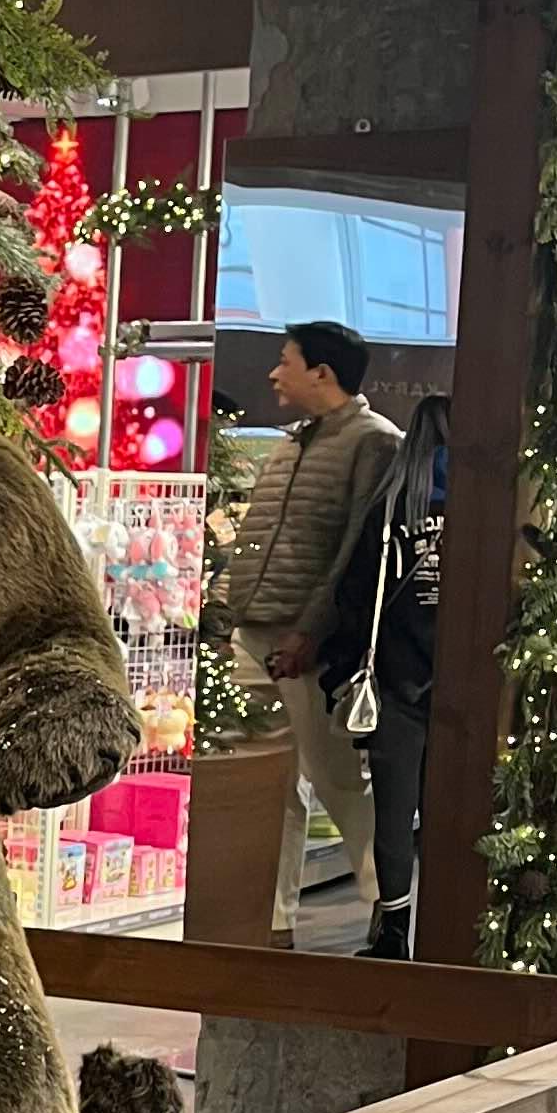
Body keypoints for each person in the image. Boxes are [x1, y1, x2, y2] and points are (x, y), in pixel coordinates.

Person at [220, 320, 401, 936]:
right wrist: (227, 607)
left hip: (312, 646)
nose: (274, 373)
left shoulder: (375, 443)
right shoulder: (290, 443)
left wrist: (312, 631)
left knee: (337, 779)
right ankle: (268, 920)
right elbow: (258, 537)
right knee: (264, 784)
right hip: (253, 632)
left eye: (286, 361)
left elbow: (357, 551)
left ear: (321, 373)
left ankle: (389, 904)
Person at [319, 390, 448, 957]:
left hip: (395, 683)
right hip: (461, 689)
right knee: (450, 812)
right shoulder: (486, 510)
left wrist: (341, 667)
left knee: (393, 814)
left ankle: (394, 929)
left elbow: (354, 598)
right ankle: (447, 927)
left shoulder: (391, 510)